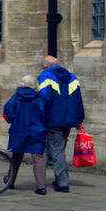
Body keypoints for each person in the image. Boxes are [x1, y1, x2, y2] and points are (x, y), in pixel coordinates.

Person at [37, 54, 85, 192]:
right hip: (69, 120)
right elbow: (78, 99)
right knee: (59, 148)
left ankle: (63, 183)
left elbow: (44, 99)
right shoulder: (72, 77)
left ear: (45, 65)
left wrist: (41, 116)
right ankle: (58, 178)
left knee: (57, 151)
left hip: (54, 120)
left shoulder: (45, 76)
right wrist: (80, 118)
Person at [3, 74, 47, 195]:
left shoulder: (16, 97)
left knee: (16, 157)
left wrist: (12, 120)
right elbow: (46, 114)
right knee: (38, 158)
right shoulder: (40, 98)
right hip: (37, 131)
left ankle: (10, 181)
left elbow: (8, 113)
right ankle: (41, 186)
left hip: (19, 130)